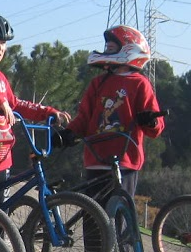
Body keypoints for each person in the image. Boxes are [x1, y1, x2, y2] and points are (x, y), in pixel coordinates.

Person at [0, 13, 71, 203]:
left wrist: (47, 112)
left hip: (3, 157)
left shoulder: (0, 76)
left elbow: (16, 104)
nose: (0, 48)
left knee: (0, 214)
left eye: (3, 43)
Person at [63, 25, 164, 198]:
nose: (106, 52)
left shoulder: (140, 83)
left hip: (125, 161)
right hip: (96, 159)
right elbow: (85, 117)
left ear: (129, 49)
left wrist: (151, 121)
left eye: (111, 48)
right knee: (93, 218)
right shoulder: (98, 83)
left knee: (119, 217)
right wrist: (68, 133)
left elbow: (156, 125)